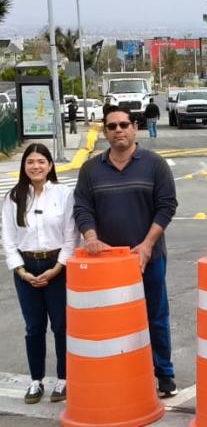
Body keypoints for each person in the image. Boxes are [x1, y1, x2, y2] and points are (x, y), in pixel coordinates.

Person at [73, 106, 179, 398]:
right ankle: (120, 371)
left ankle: (164, 373)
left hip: (149, 259)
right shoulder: (91, 169)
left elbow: (167, 206)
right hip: (107, 265)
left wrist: (146, 246)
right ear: (105, 132)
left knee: (155, 316)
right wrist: (91, 238)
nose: (118, 130)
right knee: (112, 321)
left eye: (123, 124)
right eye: (112, 126)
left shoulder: (155, 165)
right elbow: (82, 207)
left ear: (135, 128)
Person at [1, 143, 78, 404]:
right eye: (30, 162)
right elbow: (8, 239)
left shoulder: (64, 193)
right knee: (34, 327)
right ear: (24, 166)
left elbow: (71, 236)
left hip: (58, 266)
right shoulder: (13, 197)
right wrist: (21, 271)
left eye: (41, 161)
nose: (36, 166)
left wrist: (58, 267)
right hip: (26, 268)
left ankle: (63, 378)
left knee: (60, 325)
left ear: (50, 165)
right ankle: (36, 381)